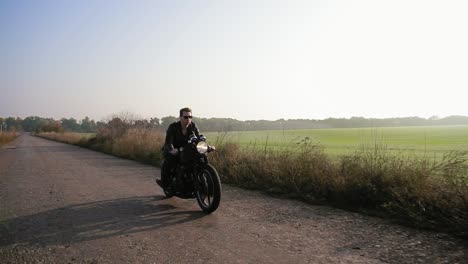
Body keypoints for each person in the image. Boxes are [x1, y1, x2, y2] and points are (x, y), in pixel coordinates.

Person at [156, 107, 209, 189]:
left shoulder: (193, 126)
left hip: (187, 149)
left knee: (201, 157)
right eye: (186, 117)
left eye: (190, 117)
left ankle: (205, 180)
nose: (188, 119)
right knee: (168, 162)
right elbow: (168, 142)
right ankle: (164, 182)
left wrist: (207, 147)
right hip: (174, 150)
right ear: (180, 117)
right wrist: (172, 150)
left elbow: (198, 139)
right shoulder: (173, 127)